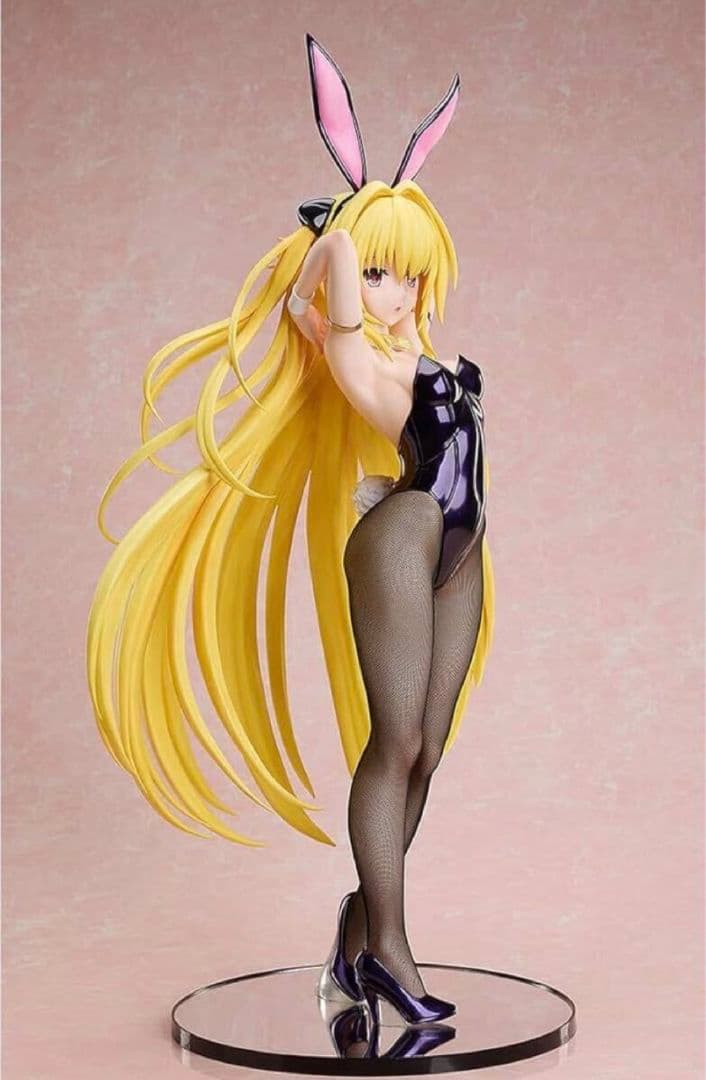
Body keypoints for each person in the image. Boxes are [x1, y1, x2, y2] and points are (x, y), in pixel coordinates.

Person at [86, 33, 495, 1025]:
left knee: (429, 750)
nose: (393, 294)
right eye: (381, 275)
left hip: (461, 549)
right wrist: (347, 233)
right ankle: (390, 952)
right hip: (402, 533)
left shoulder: (427, 355)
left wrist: (386, 235)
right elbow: (327, 285)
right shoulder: (358, 356)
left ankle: (359, 925)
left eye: (409, 276)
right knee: (394, 736)